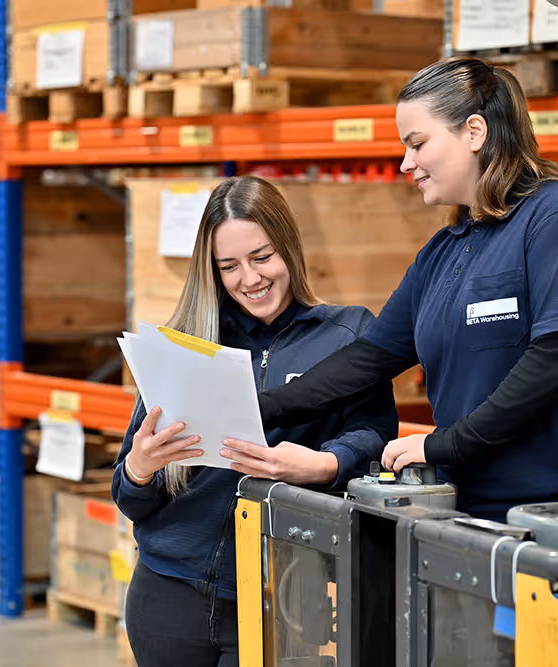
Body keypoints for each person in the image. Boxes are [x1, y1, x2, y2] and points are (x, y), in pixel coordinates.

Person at [260, 56, 558, 544]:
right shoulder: (445, 252)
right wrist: (262, 407)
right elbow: (369, 359)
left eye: (417, 143)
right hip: (477, 516)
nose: (406, 162)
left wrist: (445, 445)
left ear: (474, 132)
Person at [111, 176, 398, 667]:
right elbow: (130, 497)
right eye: (229, 266)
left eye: (262, 257)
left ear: (288, 245)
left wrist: (327, 464)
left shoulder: (346, 335)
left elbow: (376, 438)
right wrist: (139, 468)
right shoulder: (186, 344)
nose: (249, 279)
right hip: (168, 593)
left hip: (281, 594)